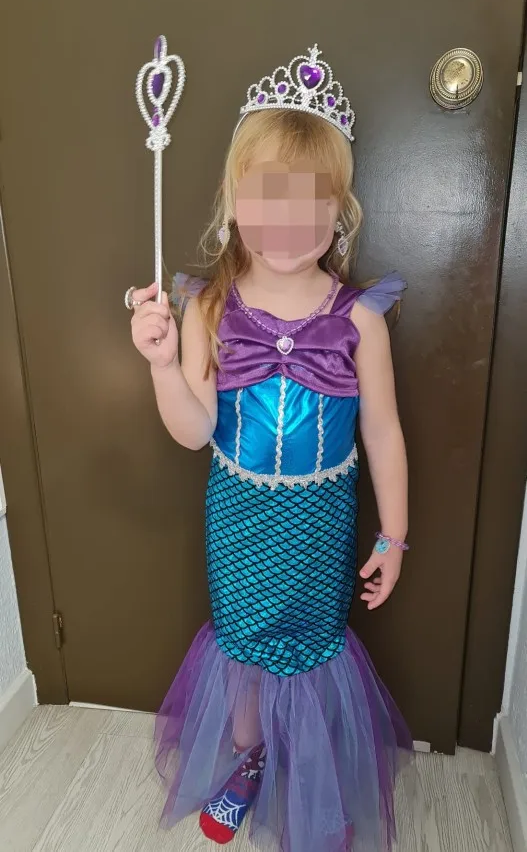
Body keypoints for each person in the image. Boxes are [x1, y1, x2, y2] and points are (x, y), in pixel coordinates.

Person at [128, 44, 414, 852]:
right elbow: (194, 430)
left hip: (320, 522)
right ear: (234, 202)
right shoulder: (208, 309)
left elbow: (383, 431)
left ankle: (309, 773)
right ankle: (250, 759)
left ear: (337, 212)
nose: (287, 223)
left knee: (312, 650)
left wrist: (393, 537)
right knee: (246, 652)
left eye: (309, 201)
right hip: (240, 517)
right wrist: (161, 367)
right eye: (267, 198)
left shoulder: (358, 319)